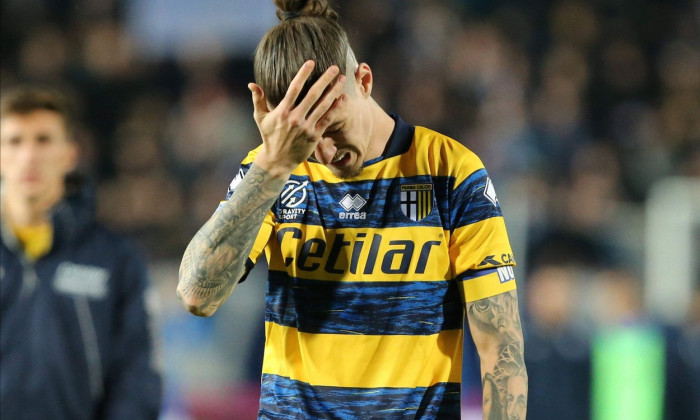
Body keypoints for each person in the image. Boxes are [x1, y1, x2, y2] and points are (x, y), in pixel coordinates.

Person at [177, 0, 528, 418]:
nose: (324, 152)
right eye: (307, 138)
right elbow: (197, 296)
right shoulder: (270, 172)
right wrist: (273, 165)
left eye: (334, 127)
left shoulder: (450, 172)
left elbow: (500, 349)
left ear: (364, 80)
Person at [0, 86, 162, 420]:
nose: (29, 155)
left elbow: (137, 374)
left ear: (69, 154)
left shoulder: (116, 258)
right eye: (15, 141)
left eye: (43, 140)